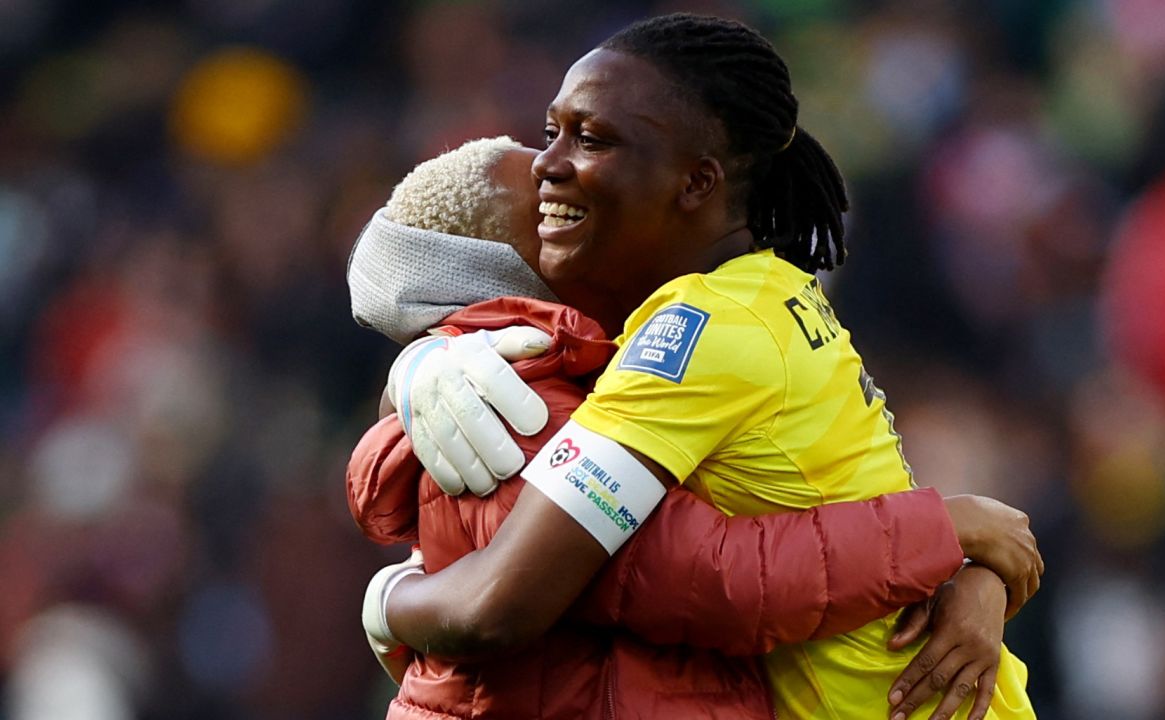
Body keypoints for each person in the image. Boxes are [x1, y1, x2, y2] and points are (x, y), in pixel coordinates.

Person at [377, 13, 1042, 720]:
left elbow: (500, 605)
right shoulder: (769, 291)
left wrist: (388, 603)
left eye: (592, 138)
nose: (548, 162)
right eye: (552, 133)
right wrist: (965, 552)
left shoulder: (693, 335)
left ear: (696, 183)